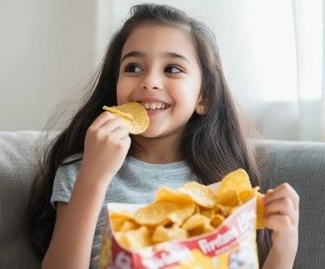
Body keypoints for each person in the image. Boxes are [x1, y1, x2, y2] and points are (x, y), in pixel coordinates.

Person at [26, 3, 299, 269]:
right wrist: (93, 178)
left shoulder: (225, 182)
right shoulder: (80, 170)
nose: (150, 81)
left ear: (203, 96)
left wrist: (285, 247)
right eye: (133, 67)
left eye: (172, 69)